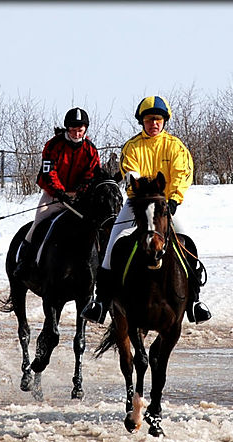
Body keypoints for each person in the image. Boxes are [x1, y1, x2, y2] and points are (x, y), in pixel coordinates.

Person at [81, 95, 212, 324]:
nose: (154, 124)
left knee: (188, 243)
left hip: (166, 206)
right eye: (150, 119)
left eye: (158, 119)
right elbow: (131, 173)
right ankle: (100, 302)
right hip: (136, 205)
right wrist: (144, 195)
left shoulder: (175, 146)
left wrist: (172, 200)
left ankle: (194, 302)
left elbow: (183, 175)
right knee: (113, 244)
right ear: (142, 122)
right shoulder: (132, 146)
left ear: (164, 121)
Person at [14, 107, 101, 278]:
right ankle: (25, 261)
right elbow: (49, 171)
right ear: (68, 128)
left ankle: (100, 267)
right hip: (53, 194)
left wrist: (80, 192)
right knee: (39, 222)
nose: (77, 133)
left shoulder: (91, 149)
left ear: (85, 129)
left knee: (95, 227)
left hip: (78, 197)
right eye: (74, 130)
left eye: (80, 130)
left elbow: (91, 174)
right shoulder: (54, 145)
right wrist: (60, 192)